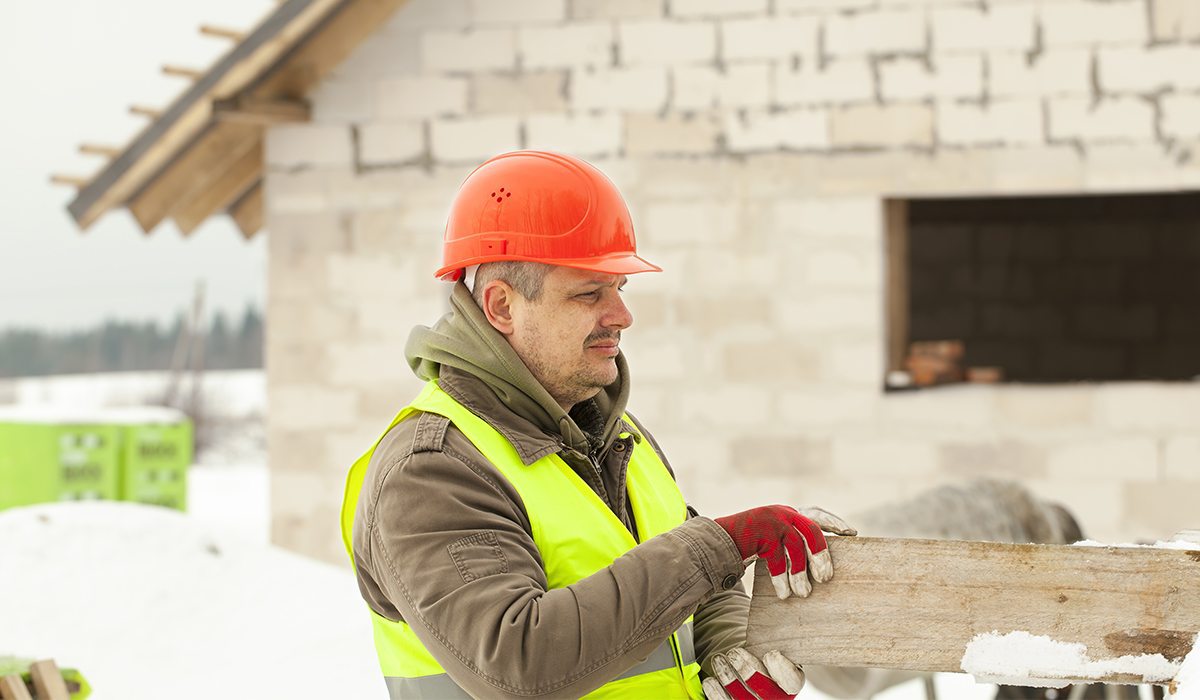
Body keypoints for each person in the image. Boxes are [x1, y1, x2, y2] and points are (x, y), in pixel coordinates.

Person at [339, 150, 855, 699]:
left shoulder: (615, 433)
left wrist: (724, 646)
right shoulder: (431, 471)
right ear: (502, 307)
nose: (621, 315)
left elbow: (696, 586)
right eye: (589, 293)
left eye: (619, 290)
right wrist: (719, 545)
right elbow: (518, 661)